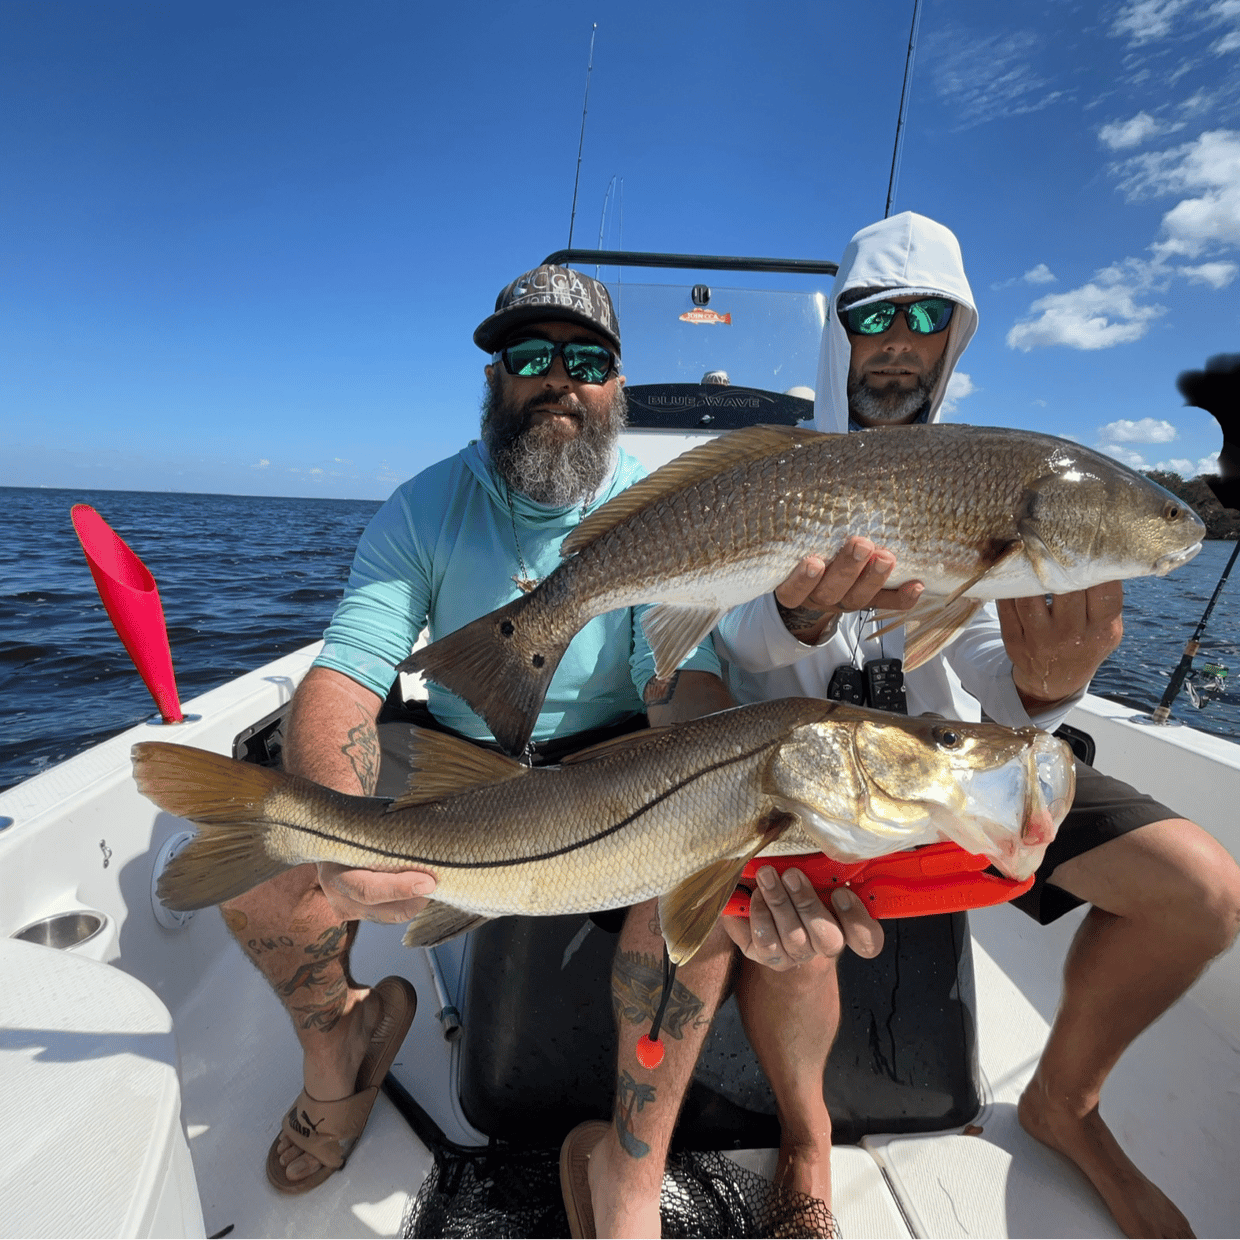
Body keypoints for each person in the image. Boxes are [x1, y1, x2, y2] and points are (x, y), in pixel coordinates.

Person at [220, 263, 874, 1233]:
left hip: (614, 755)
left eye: (587, 359)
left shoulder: (670, 508)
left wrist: (695, 796)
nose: (557, 377)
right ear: (495, 380)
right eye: (530, 355)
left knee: (686, 893)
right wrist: (338, 828)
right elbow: (347, 676)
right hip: (453, 750)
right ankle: (340, 1054)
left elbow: (681, 684)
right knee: (263, 855)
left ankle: (632, 1171)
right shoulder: (424, 505)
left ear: (618, 384)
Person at [712, 211, 1240, 1240]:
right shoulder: (778, 469)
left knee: (1205, 891)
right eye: (873, 317)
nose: (898, 339)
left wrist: (1049, 690)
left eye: (925, 316)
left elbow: (995, 682)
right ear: (840, 333)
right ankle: (807, 1139)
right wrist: (793, 614)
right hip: (814, 780)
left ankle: (1064, 1105)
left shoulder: (990, 476)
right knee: (793, 930)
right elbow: (723, 646)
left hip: (959, 775)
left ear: (955, 339)